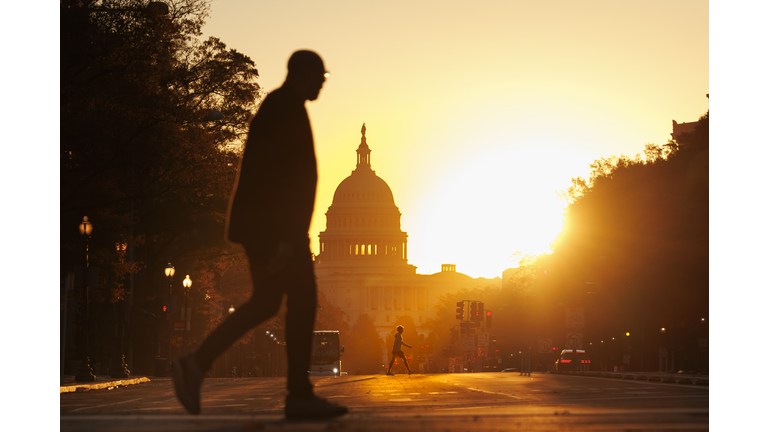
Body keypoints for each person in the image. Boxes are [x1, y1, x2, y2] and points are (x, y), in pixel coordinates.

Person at [172, 50, 348, 420]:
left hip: (272, 227)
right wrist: (286, 237)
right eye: (321, 77)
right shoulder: (283, 108)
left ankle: (197, 364)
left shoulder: (283, 106)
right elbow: (278, 179)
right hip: (277, 228)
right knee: (301, 301)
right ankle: (297, 394)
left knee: (269, 302)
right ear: (303, 74)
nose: (322, 83)